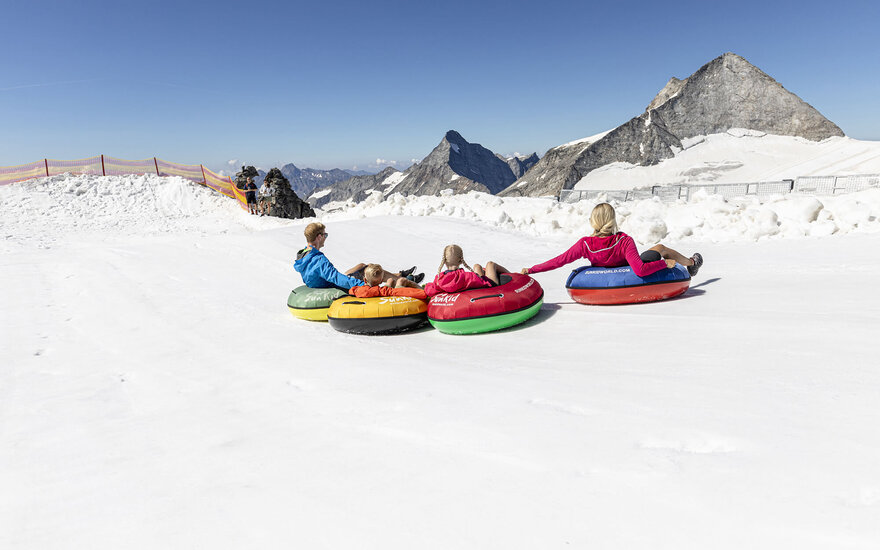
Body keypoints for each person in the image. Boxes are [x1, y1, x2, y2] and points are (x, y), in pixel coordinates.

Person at [521, 202, 703, 278]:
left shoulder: (585, 244)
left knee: (658, 248)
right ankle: (691, 263)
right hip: (628, 268)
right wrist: (666, 264)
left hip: (603, 271)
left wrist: (531, 269)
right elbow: (639, 270)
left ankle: (690, 263)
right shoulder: (624, 240)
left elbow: (559, 261)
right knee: (661, 248)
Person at [294, 222, 423, 291]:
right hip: (334, 285)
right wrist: (363, 285)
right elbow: (336, 278)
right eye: (325, 235)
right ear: (319, 237)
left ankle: (400, 274)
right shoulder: (318, 260)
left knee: (361, 265)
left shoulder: (304, 255)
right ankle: (405, 281)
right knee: (369, 270)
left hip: (322, 282)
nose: (325, 238)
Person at [424, 244, 511, 297]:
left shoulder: (439, 279)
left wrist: (427, 286)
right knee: (490, 264)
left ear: (445, 261)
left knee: (477, 266)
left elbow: (430, 289)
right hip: (489, 287)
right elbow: (479, 281)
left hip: (476, 283)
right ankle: (514, 277)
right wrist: (481, 276)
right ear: (460, 260)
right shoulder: (465, 276)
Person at [348, 264, 428, 300]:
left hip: (374, 293)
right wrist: (424, 294)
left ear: (364, 280)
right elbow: (398, 292)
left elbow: (351, 291)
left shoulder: (356, 290)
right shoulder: (381, 291)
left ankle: (401, 275)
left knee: (390, 280)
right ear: (380, 282)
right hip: (385, 297)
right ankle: (420, 287)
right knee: (401, 280)